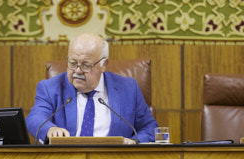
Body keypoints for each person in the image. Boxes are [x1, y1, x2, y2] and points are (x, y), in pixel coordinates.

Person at [26, 33, 158, 144]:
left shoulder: (128, 89)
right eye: (72, 63)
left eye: (86, 65)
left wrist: (134, 142)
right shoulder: (50, 87)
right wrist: (50, 129)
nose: (77, 70)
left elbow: (150, 127)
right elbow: (34, 118)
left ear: (103, 65)